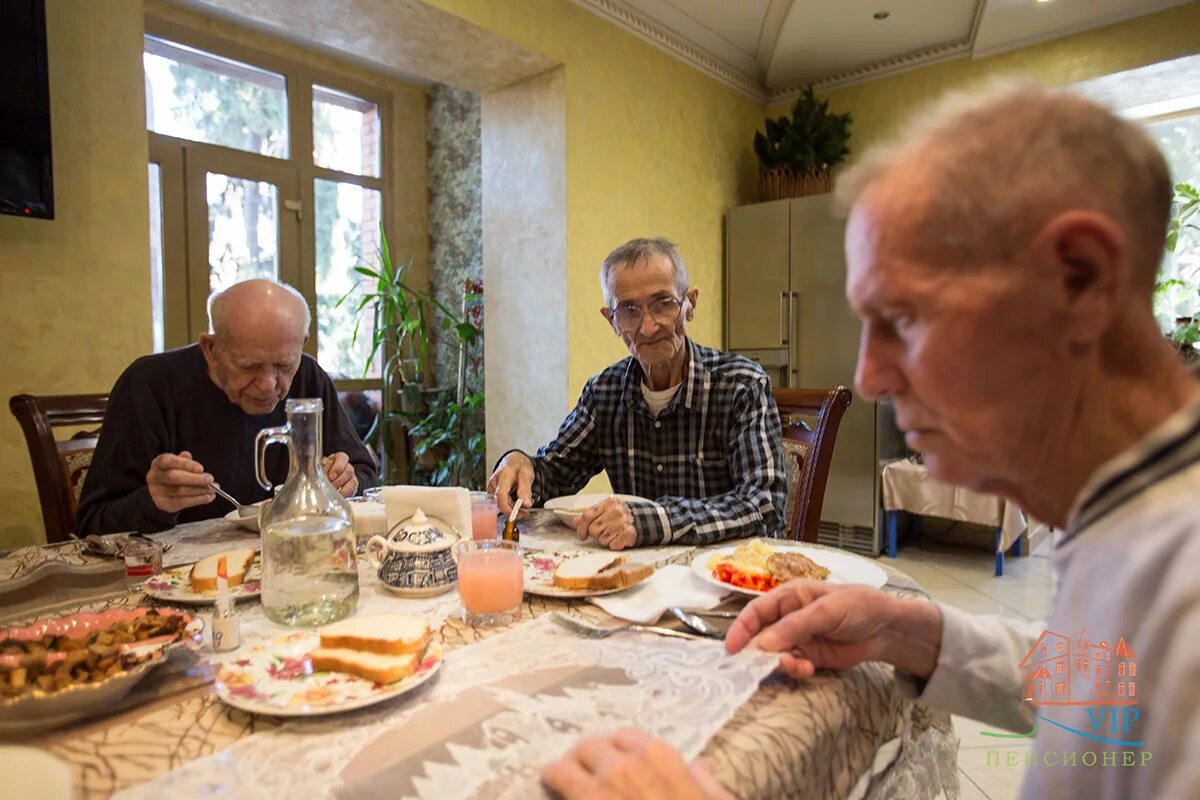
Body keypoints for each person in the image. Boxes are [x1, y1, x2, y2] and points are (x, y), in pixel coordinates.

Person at [543, 83, 1200, 799]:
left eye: (905, 317)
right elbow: (1116, 688)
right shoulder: (1133, 524)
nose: (870, 376)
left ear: (1080, 279)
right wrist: (916, 635)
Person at [487, 237, 787, 550]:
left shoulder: (742, 385)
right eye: (629, 311)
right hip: (633, 579)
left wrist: (649, 522)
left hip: (723, 577)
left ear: (690, 304)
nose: (647, 327)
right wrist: (521, 466)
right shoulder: (604, 392)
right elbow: (555, 472)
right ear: (611, 321)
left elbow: (764, 507)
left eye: (663, 303)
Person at [76, 279, 379, 535]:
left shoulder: (308, 379)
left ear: (302, 343)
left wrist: (348, 480)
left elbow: (364, 473)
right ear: (210, 348)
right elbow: (91, 522)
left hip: (291, 564)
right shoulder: (150, 387)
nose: (269, 384)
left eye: (285, 365)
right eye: (249, 367)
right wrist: (154, 501)